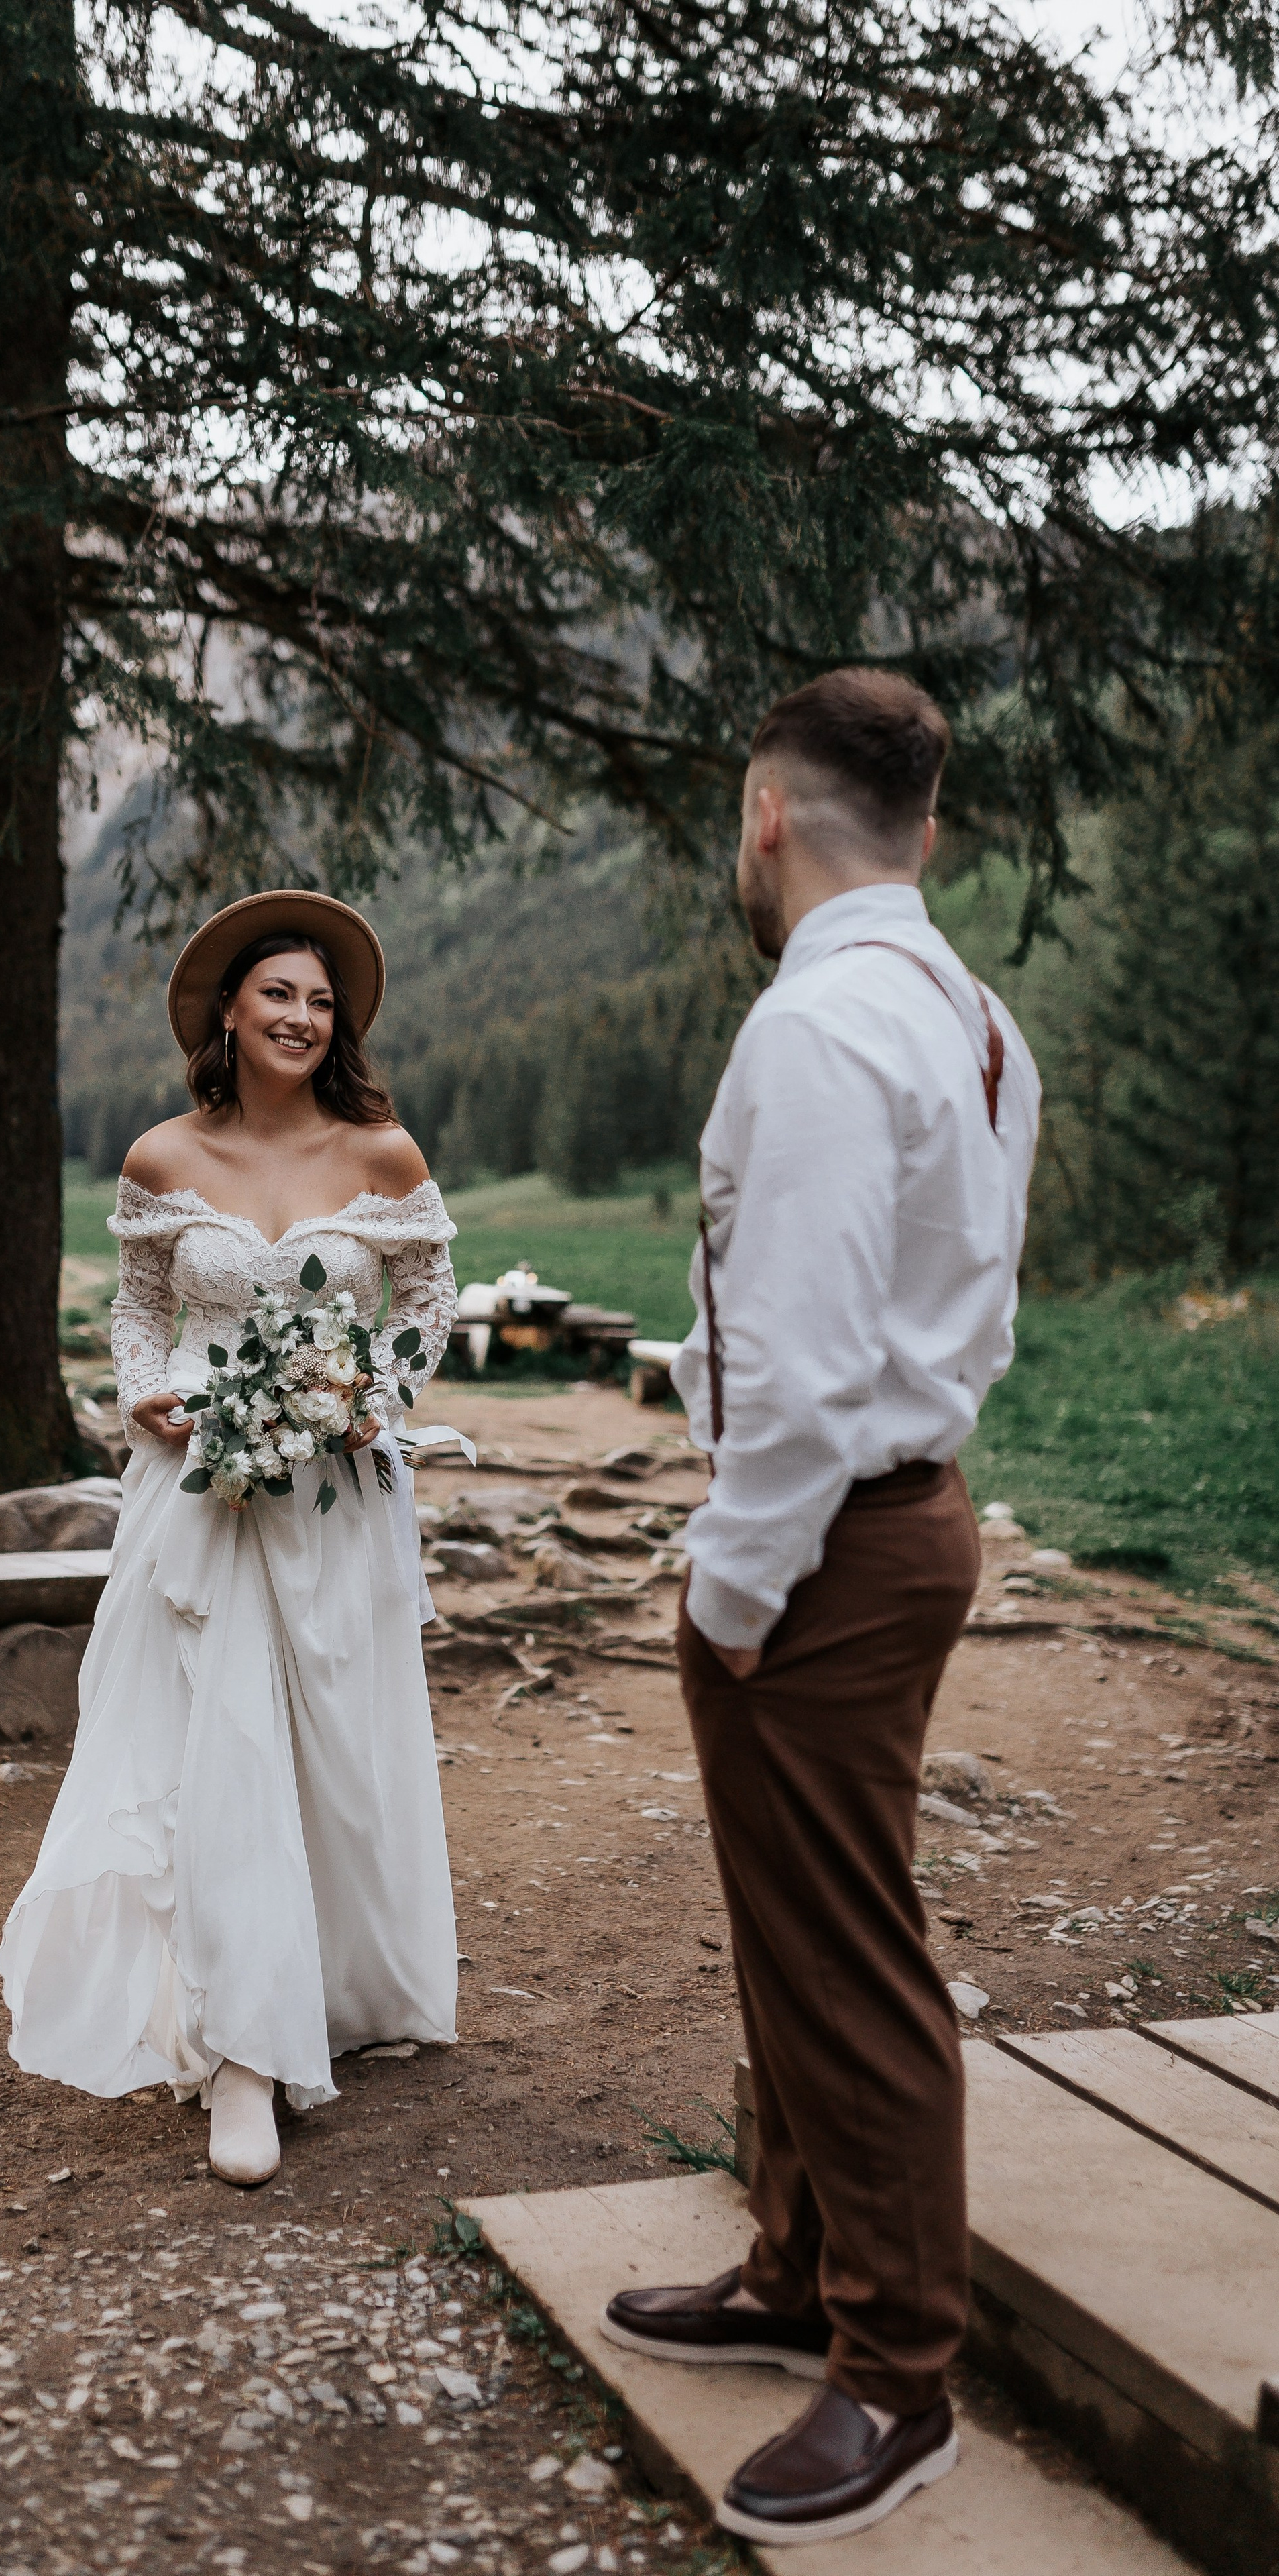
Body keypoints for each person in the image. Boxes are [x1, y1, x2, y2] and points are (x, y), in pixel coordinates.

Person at [600, 669, 1040, 2546]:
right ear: (923, 828)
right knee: (801, 1926)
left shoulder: (818, 1027)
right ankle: (793, 2270)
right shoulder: (973, 1013)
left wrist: (738, 1586)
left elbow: (790, 1362)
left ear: (767, 817)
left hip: (827, 1549)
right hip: (905, 1515)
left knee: (848, 1955)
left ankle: (896, 2376)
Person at [0, 890, 459, 2186]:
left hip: (337, 1491)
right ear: (230, 1014)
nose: (304, 1018)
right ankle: (241, 2054)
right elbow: (139, 1315)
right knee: (223, 1742)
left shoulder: (384, 1158)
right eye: (281, 996)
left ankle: (332, 1987)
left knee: (333, 1747)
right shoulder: (161, 1160)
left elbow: (426, 1305)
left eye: (323, 1001)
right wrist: (143, 1393)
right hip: (197, 1490)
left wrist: (373, 1397)